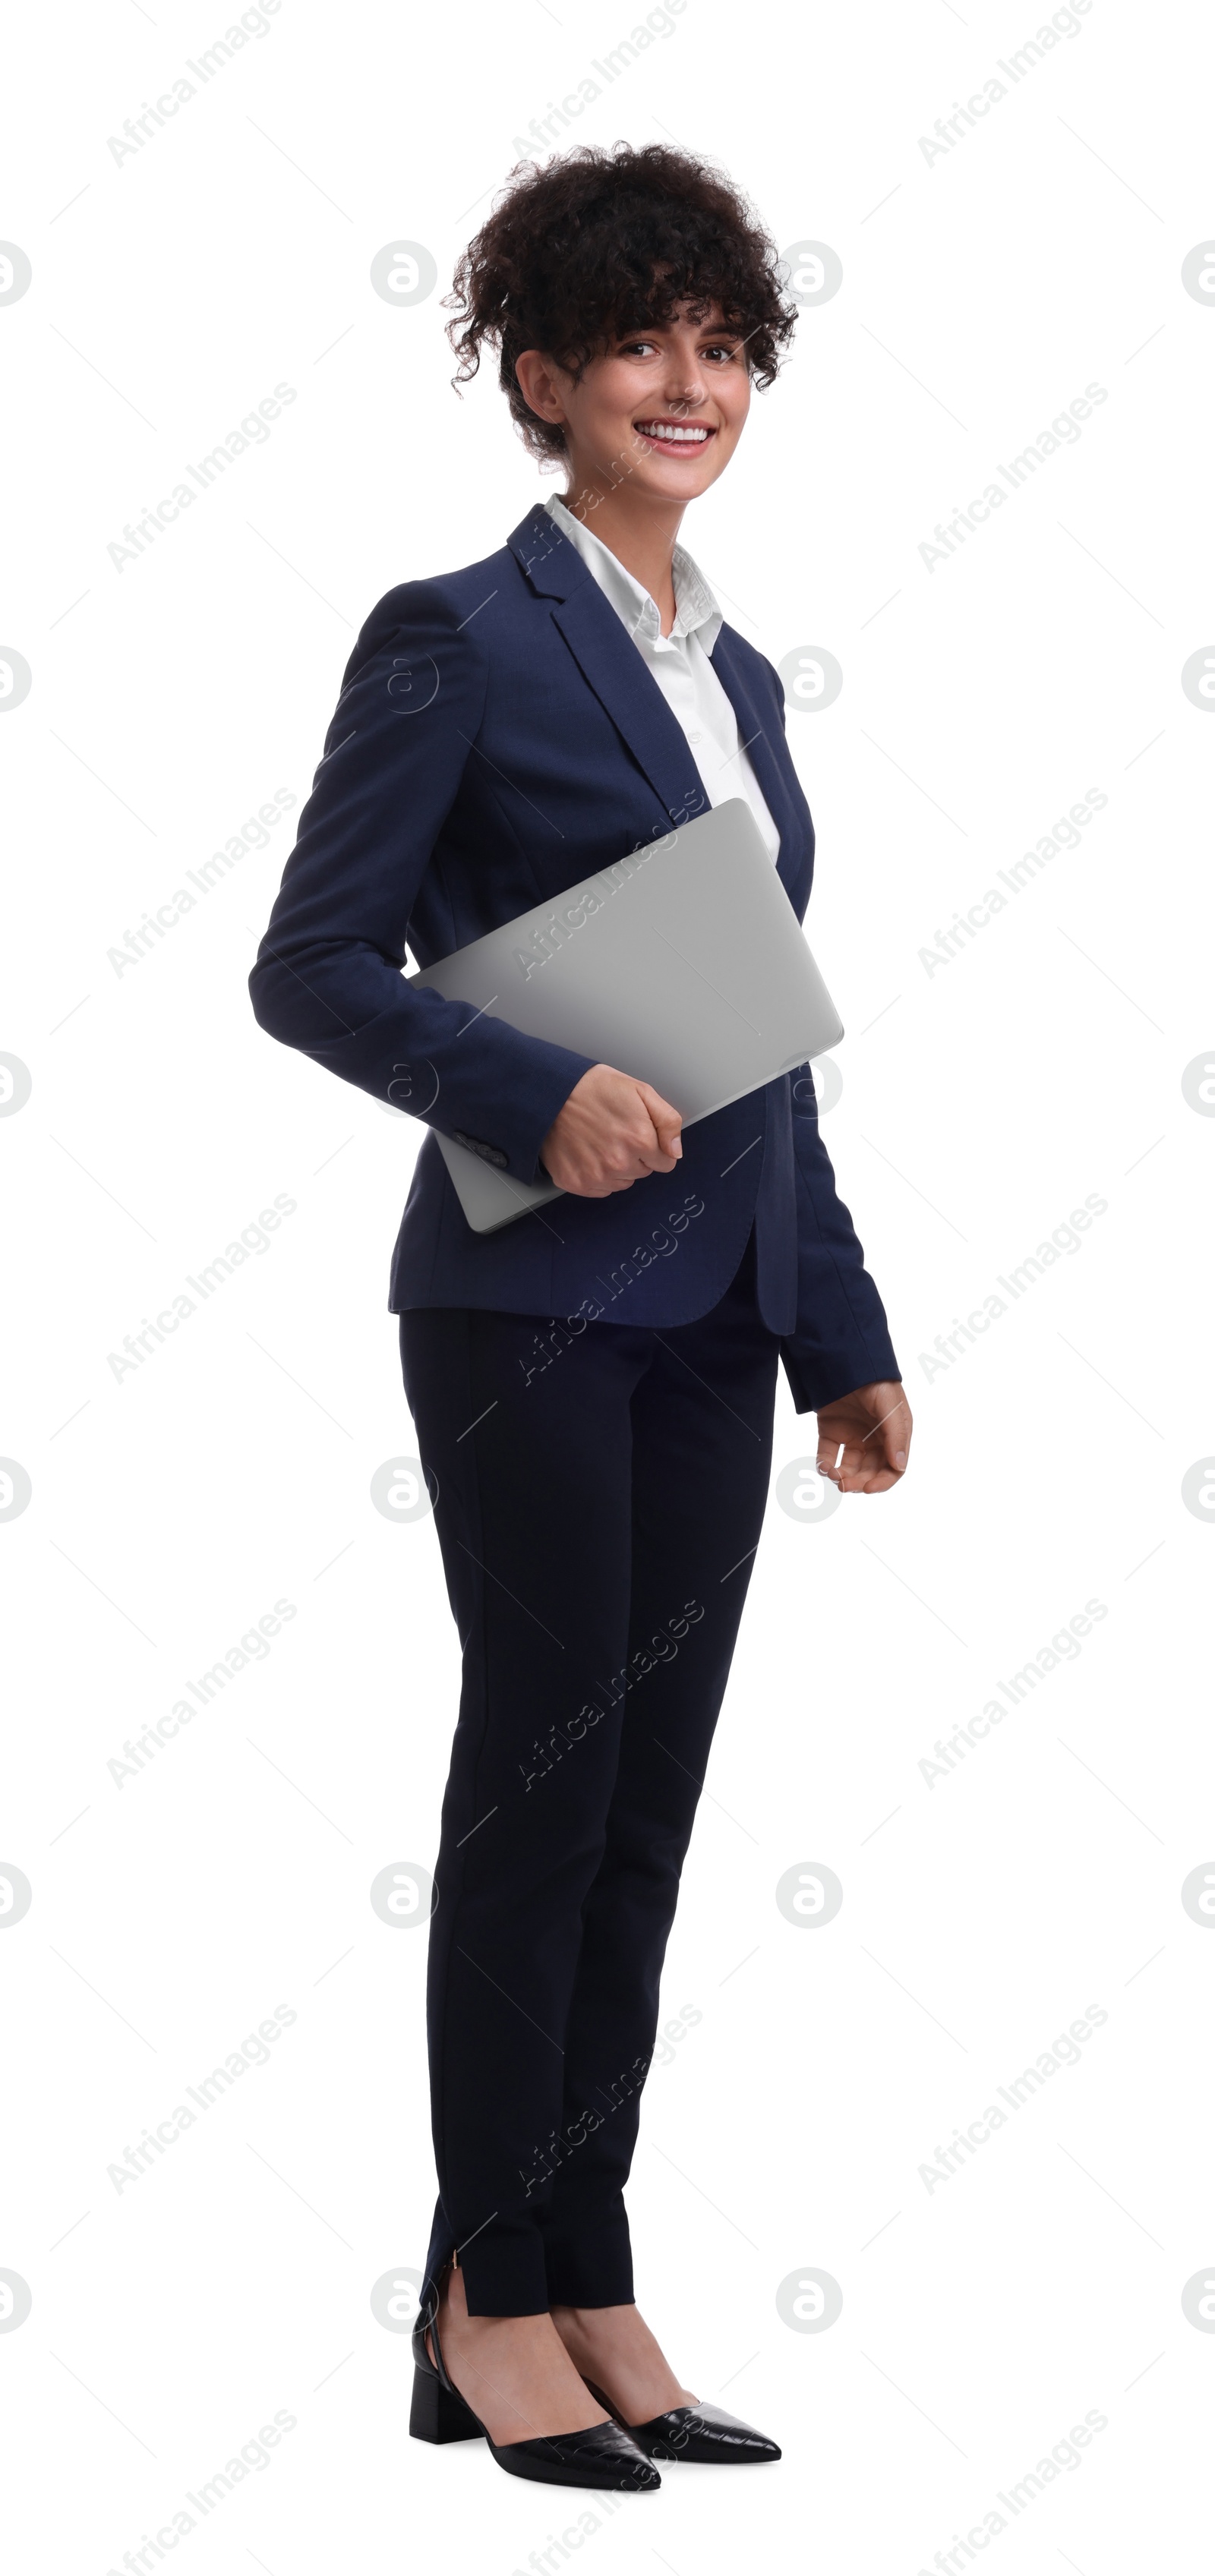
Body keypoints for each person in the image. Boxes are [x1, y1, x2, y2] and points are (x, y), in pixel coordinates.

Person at [249, 141, 912, 2492]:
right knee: (539, 1791)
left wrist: (842, 1325)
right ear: (538, 375)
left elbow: (765, 1027)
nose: (689, 380)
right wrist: (540, 1084)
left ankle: (587, 2264)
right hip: (526, 1297)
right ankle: (479, 2299)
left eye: (723, 342)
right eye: (640, 340)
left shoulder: (732, 675)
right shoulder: (455, 630)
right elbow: (309, 967)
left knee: (643, 1807)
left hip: (717, 1310)